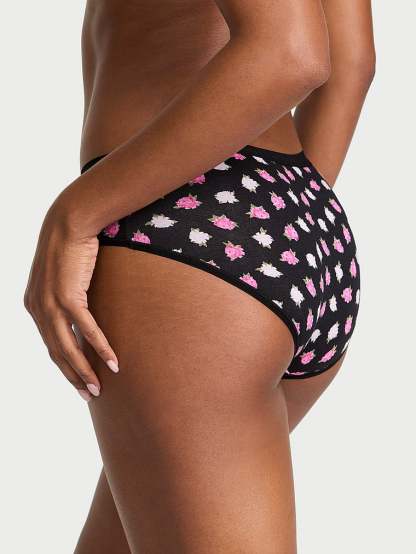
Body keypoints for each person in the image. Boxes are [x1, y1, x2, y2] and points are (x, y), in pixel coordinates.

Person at [24, 1, 375, 552]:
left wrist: (74, 216)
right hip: (299, 219)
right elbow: (353, 64)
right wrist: (270, 228)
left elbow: (291, 51)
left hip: (180, 228)